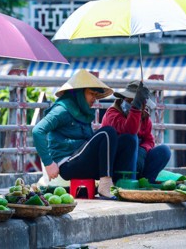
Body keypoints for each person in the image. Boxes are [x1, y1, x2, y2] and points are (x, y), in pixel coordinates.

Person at [32, 69, 138, 198]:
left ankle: (120, 185)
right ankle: (105, 185)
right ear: (78, 94)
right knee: (107, 132)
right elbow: (38, 131)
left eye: (95, 95)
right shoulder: (62, 110)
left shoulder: (84, 112)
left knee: (128, 139)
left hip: (82, 159)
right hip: (67, 164)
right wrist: (49, 163)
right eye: (91, 94)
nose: (94, 98)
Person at [101, 80, 171, 183]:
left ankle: (145, 182)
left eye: (136, 101)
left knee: (164, 151)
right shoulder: (112, 113)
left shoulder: (145, 118)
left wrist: (142, 151)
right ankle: (128, 182)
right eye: (130, 101)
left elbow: (149, 140)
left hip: (138, 162)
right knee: (131, 138)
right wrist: (136, 108)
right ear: (123, 99)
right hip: (116, 163)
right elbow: (130, 131)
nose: (133, 104)